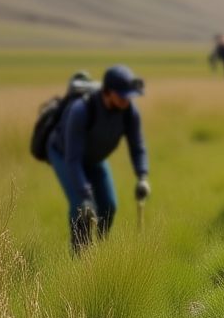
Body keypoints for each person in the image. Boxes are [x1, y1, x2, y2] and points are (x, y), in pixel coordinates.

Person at [47, 64, 150, 253]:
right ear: (108, 92)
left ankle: (101, 252)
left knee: (108, 205)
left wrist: (142, 176)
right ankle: (80, 258)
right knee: (82, 208)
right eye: (122, 96)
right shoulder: (81, 110)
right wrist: (85, 196)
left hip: (94, 158)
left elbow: (138, 147)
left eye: (129, 96)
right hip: (65, 155)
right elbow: (73, 159)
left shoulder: (129, 112)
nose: (127, 101)